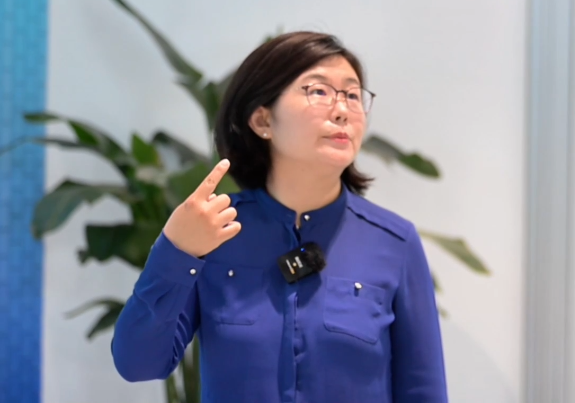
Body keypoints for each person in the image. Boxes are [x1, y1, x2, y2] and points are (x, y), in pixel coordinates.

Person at [111, 31, 448, 403]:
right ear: (262, 120)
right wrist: (175, 251)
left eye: (353, 95)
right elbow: (138, 364)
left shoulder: (394, 242)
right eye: (319, 91)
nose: (342, 110)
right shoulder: (215, 229)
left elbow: (423, 391)